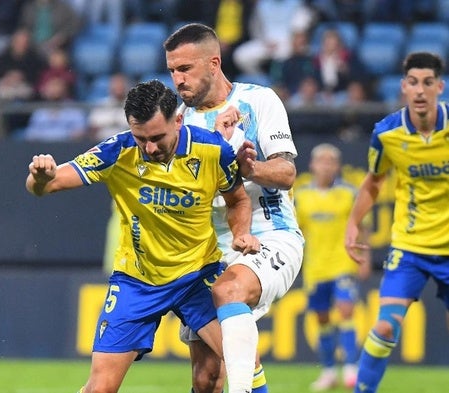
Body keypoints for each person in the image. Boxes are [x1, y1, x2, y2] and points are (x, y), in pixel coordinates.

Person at [25, 80, 260, 393]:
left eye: (157, 138)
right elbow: (47, 185)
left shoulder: (213, 150)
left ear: (178, 120)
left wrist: (241, 232)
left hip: (198, 277)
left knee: (229, 369)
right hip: (137, 281)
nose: (149, 148)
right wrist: (40, 177)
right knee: (100, 388)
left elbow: (238, 199)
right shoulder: (117, 151)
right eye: (141, 139)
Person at [164, 23, 304, 393]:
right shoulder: (177, 124)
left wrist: (248, 168)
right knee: (206, 379)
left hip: (269, 234)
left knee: (228, 291)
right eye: (172, 71)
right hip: (210, 251)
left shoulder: (259, 101)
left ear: (213, 63)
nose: (177, 80)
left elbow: (287, 172)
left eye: (185, 69)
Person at [344, 51, 449, 393]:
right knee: (386, 326)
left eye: (428, 83)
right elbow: (373, 182)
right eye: (414, 83)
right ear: (404, 87)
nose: (420, 91)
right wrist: (353, 224)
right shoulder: (387, 133)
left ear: (440, 87)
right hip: (410, 246)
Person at [294, 143, 371, 391]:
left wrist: (365, 259)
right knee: (322, 318)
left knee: (346, 309)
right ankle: (328, 371)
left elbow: (363, 226)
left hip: (343, 264)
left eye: (330, 162)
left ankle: (351, 368)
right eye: (321, 161)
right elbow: (296, 232)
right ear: (313, 165)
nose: (326, 166)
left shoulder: (349, 193)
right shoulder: (302, 196)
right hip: (316, 268)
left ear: (337, 166)